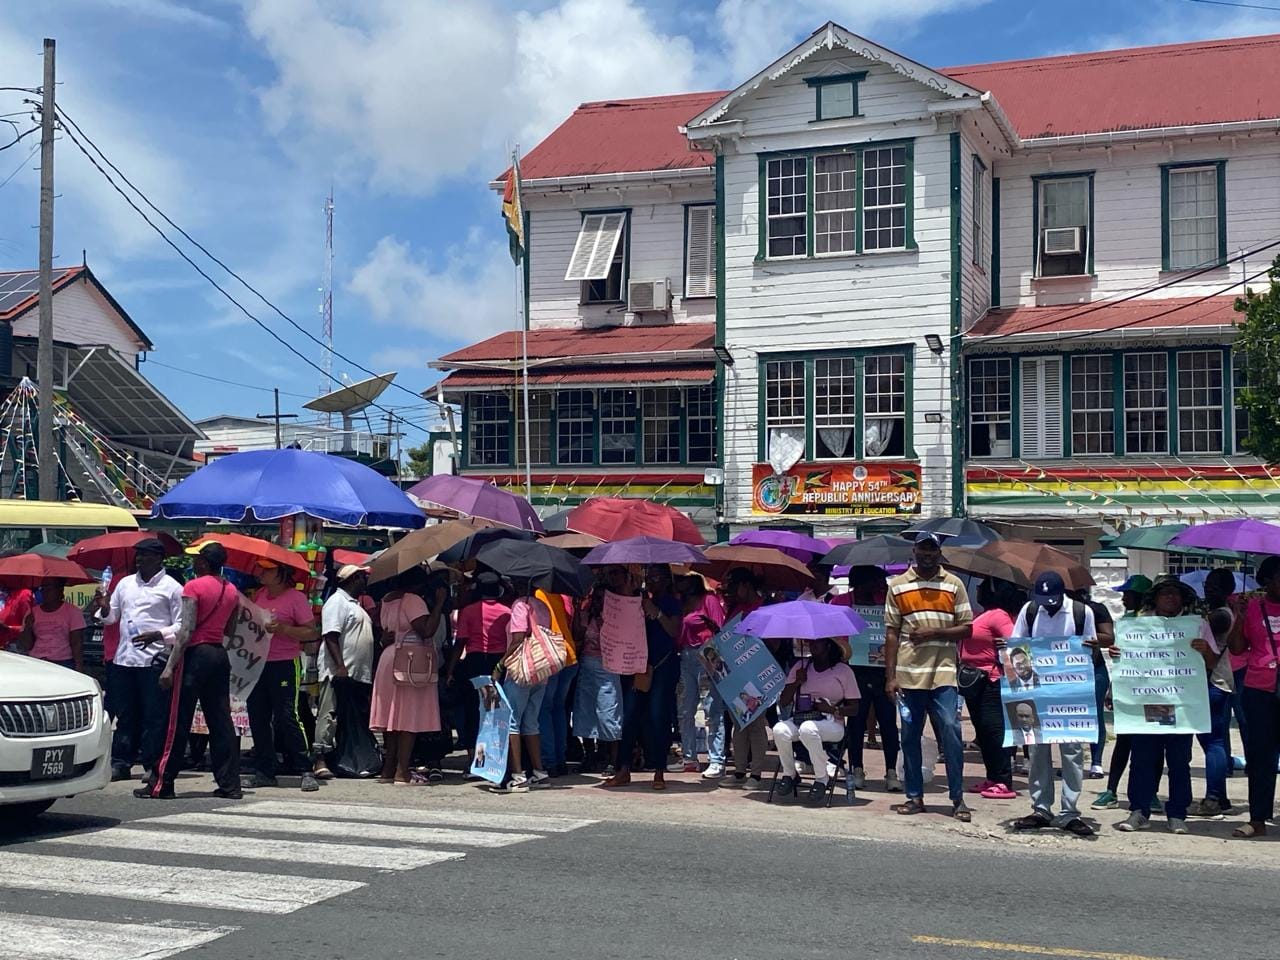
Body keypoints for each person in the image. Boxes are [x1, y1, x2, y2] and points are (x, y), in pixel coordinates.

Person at [138, 542, 242, 800]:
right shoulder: (231, 590)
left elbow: (186, 630)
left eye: (197, 559)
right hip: (218, 654)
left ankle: (163, 783)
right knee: (221, 721)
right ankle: (230, 785)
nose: (193, 563)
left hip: (195, 655)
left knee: (177, 721)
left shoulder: (193, 586)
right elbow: (230, 629)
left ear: (204, 563)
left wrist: (169, 667)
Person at [1116, 575, 1219, 835]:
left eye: (1175, 593)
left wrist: (1205, 650)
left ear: (1183, 598)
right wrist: (1118, 653)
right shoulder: (1138, 625)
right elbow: (1124, 660)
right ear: (1155, 598)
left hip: (1182, 704)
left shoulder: (1197, 625)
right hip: (1149, 701)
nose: (1171, 597)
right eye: (1165, 593)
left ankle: (1177, 814)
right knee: (1142, 759)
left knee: (1179, 761)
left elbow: (1213, 662)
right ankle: (1139, 811)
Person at [884, 534, 973, 821]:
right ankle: (914, 796)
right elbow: (891, 633)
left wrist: (934, 633)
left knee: (951, 729)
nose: (927, 554)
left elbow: (967, 628)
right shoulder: (897, 586)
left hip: (943, 672)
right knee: (910, 736)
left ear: (939, 552)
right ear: (914, 551)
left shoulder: (954, 584)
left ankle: (957, 797)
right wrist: (890, 677)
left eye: (932, 549)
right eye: (923, 548)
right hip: (909, 674)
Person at [1010, 571, 1096, 838]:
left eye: (1053, 601)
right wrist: (1008, 648)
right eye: (1043, 601)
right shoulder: (1029, 611)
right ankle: (1041, 809)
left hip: (1071, 692)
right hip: (1036, 691)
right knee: (1037, 750)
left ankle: (1069, 812)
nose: (1048, 606)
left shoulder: (1081, 612)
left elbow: (1090, 648)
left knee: (1072, 751)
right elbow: (1017, 646)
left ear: (1062, 595)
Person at [99, 539, 183, 782]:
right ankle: (121, 762)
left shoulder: (172, 588)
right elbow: (111, 617)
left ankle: (152, 764)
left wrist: (158, 634)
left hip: (153, 661)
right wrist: (104, 608)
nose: (140, 559)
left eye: (145, 555)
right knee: (126, 715)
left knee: (153, 716)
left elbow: (182, 625)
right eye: (138, 555)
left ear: (158, 558)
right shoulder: (125, 584)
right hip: (124, 659)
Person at [606, 564, 681, 791]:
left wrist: (656, 613)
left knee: (658, 716)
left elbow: (674, 630)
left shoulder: (671, 603)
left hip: (662, 665)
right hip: (637, 664)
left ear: (666, 580)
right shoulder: (638, 600)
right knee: (629, 716)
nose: (653, 582)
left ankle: (659, 769)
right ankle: (623, 768)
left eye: (657, 578)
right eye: (650, 578)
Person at [247, 560, 320, 791]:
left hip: (285, 663)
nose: (261, 573)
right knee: (258, 717)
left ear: (281, 572)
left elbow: (311, 632)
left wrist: (284, 629)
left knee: (287, 716)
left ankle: (305, 768)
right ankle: (265, 770)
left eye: (268, 569)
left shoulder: (295, 599)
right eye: (260, 568)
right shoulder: (259, 595)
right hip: (258, 663)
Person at [370, 569, 446, 786]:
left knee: (392, 718)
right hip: (409, 661)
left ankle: (388, 769)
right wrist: (439, 604)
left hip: (389, 657)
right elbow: (426, 630)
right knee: (407, 718)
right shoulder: (412, 600)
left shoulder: (387, 600)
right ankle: (402, 771)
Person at [1226, 555, 1280, 839]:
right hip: (1259, 689)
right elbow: (1237, 649)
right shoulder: (1253, 608)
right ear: (1267, 581)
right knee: (1261, 756)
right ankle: (1258, 818)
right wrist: (1239, 617)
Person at [773, 636, 860, 805]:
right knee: (780, 729)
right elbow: (784, 701)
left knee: (808, 729)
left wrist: (831, 709)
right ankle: (790, 774)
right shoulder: (801, 666)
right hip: (801, 718)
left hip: (832, 722)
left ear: (828, 645)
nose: (812, 645)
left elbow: (854, 708)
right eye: (810, 642)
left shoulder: (843, 671)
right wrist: (796, 682)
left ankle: (821, 778)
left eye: (817, 642)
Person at [1092, 573, 1153, 810]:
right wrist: (1112, 687)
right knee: (1123, 742)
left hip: (1154, 691)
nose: (1123, 599)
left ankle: (1150, 793)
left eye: (1128, 594)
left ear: (1141, 596)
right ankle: (1111, 790)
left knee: (1150, 747)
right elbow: (1122, 658)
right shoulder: (1127, 620)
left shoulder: (1157, 621)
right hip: (1128, 689)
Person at [314, 564, 376, 779]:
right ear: (351, 579)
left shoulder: (355, 605)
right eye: (361, 577)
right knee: (329, 714)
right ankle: (320, 759)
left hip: (356, 674)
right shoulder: (337, 602)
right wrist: (340, 665)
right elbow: (331, 635)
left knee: (349, 716)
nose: (364, 581)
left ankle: (344, 758)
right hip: (338, 672)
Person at [960, 579, 1021, 799]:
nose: (977, 590)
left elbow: (1015, 642)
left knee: (994, 730)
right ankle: (992, 777)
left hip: (991, 680)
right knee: (983, 732)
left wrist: (1003, 647)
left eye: (981, 587)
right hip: (974, 680)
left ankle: (1004, 780)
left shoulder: (999, 616)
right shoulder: (984, 614)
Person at [844, 566, 901, 793]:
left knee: (888, 723)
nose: (880, 586)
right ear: (861, 583)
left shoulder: (885, 604)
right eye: (876, 582)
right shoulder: (841, 603)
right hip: (853, 671)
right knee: (856, 723)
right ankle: (856, 768)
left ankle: (891, 772)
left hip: (882, 671)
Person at [447, 571, 511, 764]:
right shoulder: (506, 612)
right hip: (498, 663)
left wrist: (450, 670)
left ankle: (475, 759)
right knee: (494, 710)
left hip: (474, 663)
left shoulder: (468, 611)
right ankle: (493, 758)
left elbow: (460, 643)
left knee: (473, 711)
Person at [497, 580, 553, 792]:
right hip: (540, 671)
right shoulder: (542, 606)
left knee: (511, 721)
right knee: (531, 722)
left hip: (521, 670)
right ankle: (539, 772)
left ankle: (517, 775)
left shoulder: (521, 605)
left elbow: (518, 638)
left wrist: (500, 664)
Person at [1191, 568, 1236, 818]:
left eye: (1215, 586)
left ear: (1227, 590)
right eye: (1207, 585)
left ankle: (1213, 799)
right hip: (1213, 682)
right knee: (1211, 741)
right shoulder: (1221, 613)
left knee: (1213, 742)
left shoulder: (1220, 616)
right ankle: (1221, 796)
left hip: (1213, 682)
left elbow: (1199, 630)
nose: (1208, 589)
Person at [573, 572, 625, 775]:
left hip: (608, 666)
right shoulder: (587, 614)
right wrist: (578, 611)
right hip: (587, 663)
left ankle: (612, 759)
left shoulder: (615, 618)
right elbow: (578, 635)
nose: (600, 601)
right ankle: (589, 755)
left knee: (608, 711)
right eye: (597, 597)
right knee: (585, 710)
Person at [675, 574, 726, 775]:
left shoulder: (709, 600)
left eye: (684, 579)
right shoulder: (682, 603)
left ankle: (717, 760)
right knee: (685, 710)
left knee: (712, 708)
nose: (680, 583)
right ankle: (689, 758)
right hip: (686, 655)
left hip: (706, 654)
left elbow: (720, 628)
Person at [1069, 587, 1114, 779]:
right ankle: (1072, 761)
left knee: (1094, 715)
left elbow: (1109, 637)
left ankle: (1096, 762)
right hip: (1065, 672)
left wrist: (1088, 637)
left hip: (1094, 668)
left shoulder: (1095, 609)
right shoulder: (1050, 614)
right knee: (1069, 716)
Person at [537, 587, 578, 777]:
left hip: (551, 657)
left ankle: (549, 761)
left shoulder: (537, 595)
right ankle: (560, 760)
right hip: (568, 654)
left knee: (544, 709)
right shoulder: (562, 596)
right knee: (558, 708)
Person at [19, 578, 86, 671]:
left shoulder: (73, 612)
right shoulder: (32, 613)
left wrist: (79, 666)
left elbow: (77, 642)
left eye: (49, 588)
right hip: (37, 661)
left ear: (60, 589)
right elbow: (26, 645)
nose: (45, 591)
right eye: (43, 588)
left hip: (63, 662)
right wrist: (28, 627)